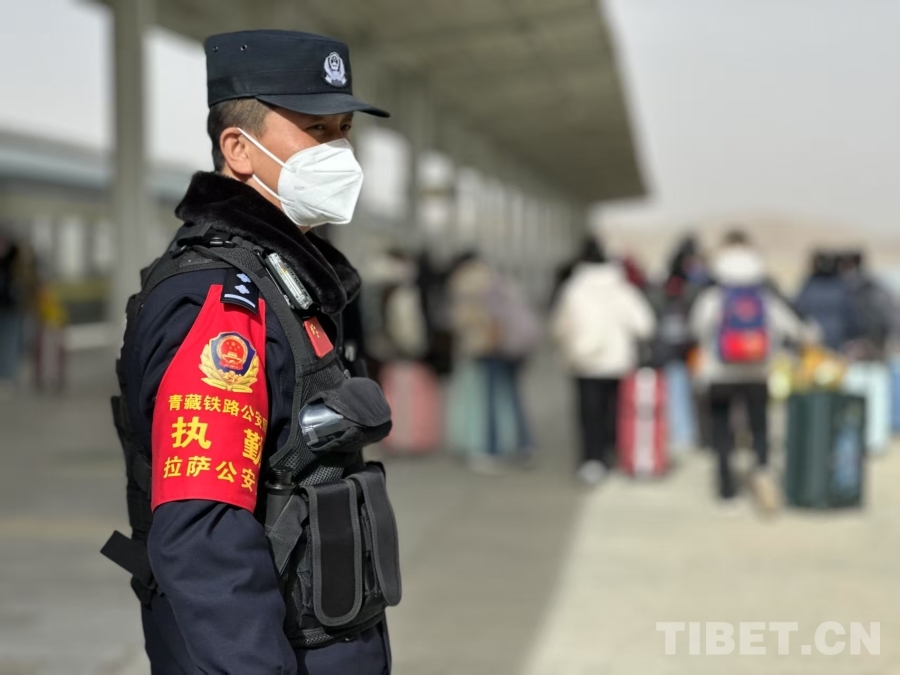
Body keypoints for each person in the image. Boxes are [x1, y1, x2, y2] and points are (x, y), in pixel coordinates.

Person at [101, 31, 399, 674]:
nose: (340, 151)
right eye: (316, 130)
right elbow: (204, 533)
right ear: (238, 149)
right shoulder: (223, 302)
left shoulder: (285, 278)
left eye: (344, 130)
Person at [690, 231, 814, 509]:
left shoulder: (713, 298)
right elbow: (792, 329)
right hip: (758, 372)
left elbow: (697, 328)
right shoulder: (765, 298)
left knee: (721, 428)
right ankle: (762, 474)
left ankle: (726, 489)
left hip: (719, 374)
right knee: (759, 426)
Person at [552, 239, 656, 485]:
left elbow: (559, 327)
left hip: (584, 362)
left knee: (589, 415)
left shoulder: (573, 290)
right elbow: (645, 325)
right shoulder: (622, 289)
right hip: (618, 362)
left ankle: (592, 460)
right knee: (615, 412)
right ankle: (616, 454)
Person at [448, 252, 538, 471]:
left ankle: (491, 449)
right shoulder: (499, 279)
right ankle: (524, 444)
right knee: (512, 397)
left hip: (489, 346)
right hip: (514, 346)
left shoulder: (466, 284)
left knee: (489, 400)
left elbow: (465, 319)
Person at [794, 251, 860, 353]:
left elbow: (798, 310)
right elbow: (852, 317)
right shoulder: (841, 287)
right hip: (835, 342)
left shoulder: (810, 286)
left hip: (814, 343)